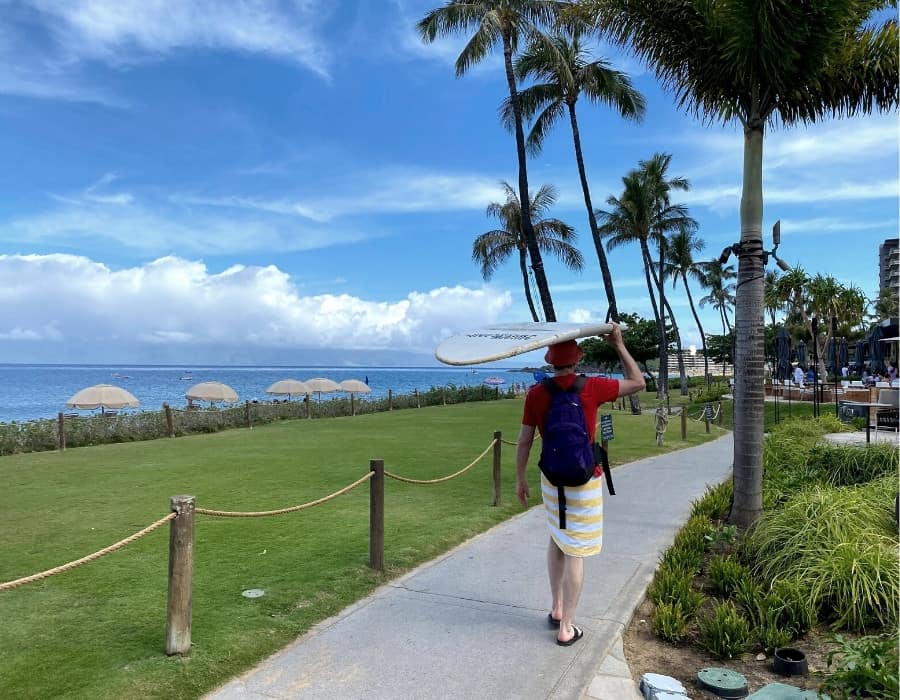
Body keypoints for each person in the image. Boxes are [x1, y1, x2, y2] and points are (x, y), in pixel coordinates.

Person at [515, 324, 645, 647]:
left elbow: (524, 441)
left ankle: (557, 609)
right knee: (577, 551)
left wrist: (519, 478)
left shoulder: (536, 393)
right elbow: (638, 382)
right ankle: (567, 627)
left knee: (558, 539)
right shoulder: (592, 388)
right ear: (578, 359)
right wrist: (618, 345)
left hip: (550, 479)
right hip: (585, 479)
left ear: (550, 361)